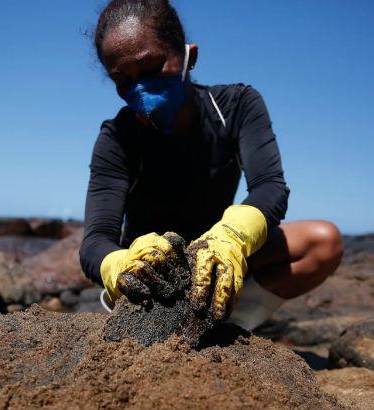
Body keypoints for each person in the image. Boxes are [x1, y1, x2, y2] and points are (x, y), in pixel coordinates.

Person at [79, 0, 344, 330]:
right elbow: (95, 242)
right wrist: (122, 265)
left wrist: (229, 239)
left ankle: (233, 327)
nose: (140, 89)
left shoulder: (236, 107)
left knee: (323, 241)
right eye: (123, 80)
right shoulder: (117, 138)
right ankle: (181, 326)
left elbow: (269, 187)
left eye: (150, 68)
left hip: (219, 252)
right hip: (156, 272)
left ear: (189, 56)